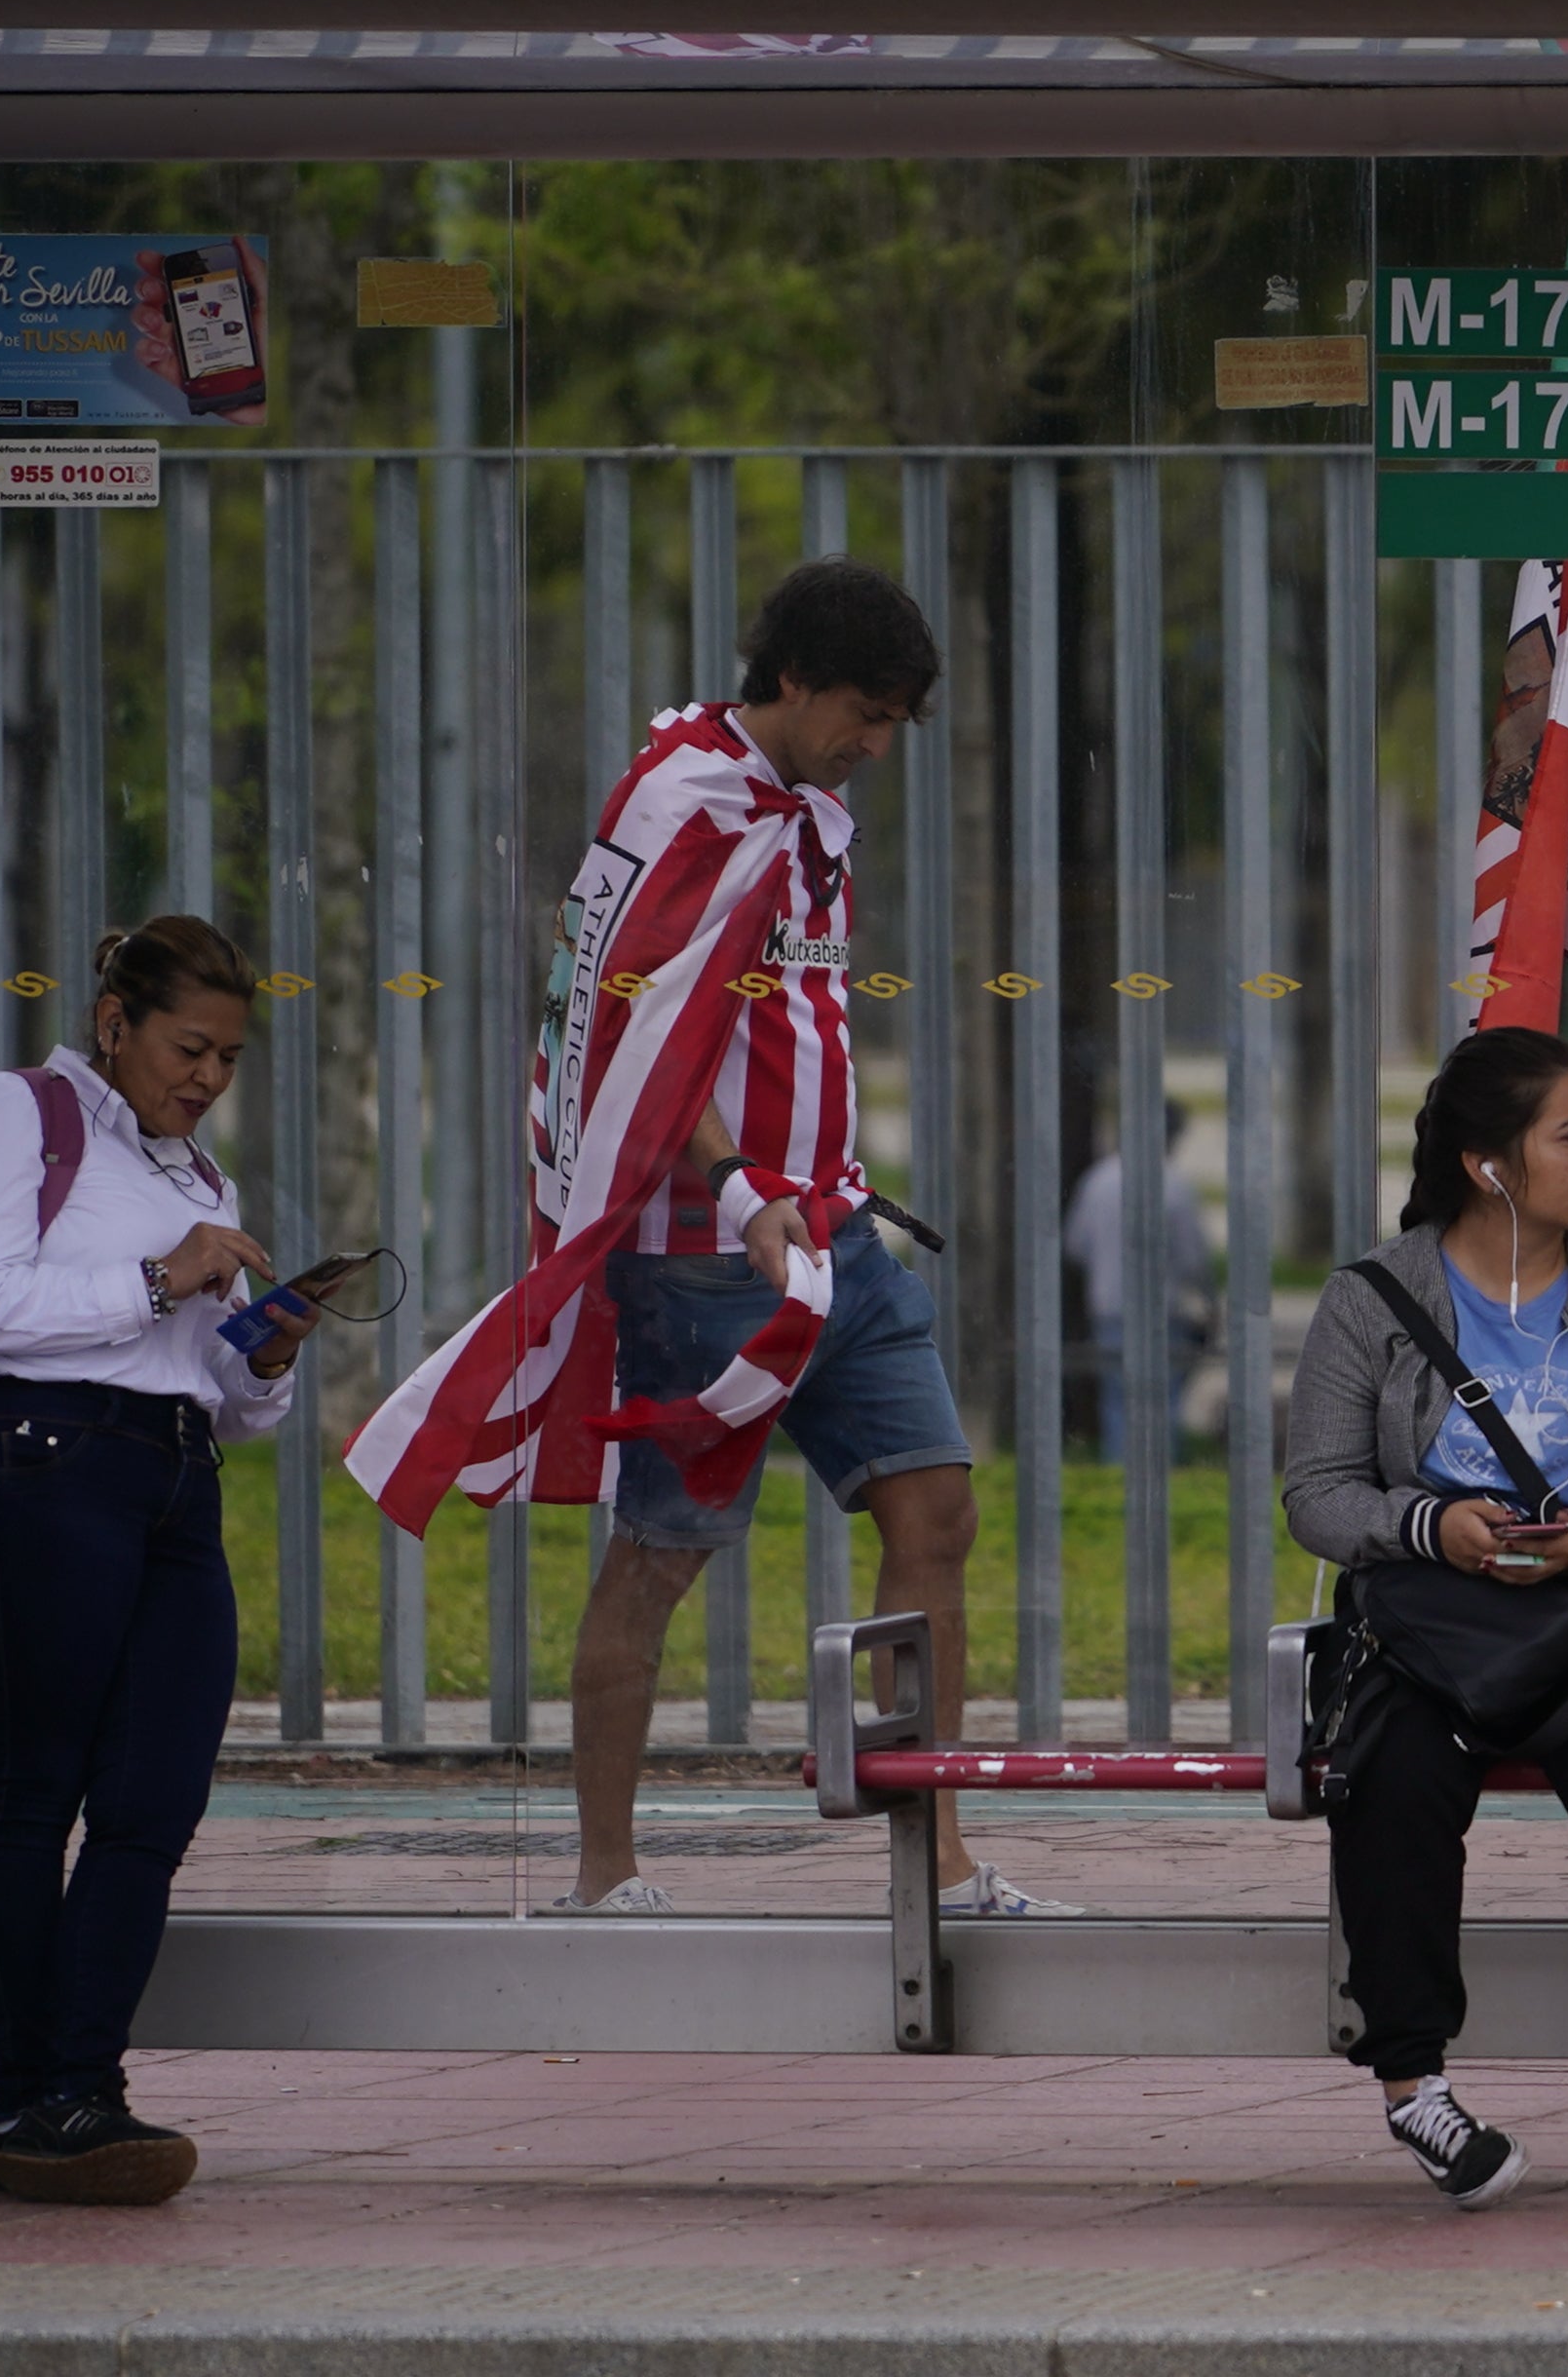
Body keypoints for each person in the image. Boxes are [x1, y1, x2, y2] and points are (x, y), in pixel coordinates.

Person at [353, 557, 1064, 1921]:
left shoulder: (804, 807)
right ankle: (604, 1872)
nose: (874, 746)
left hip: (838, 1227)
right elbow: (624, 1041)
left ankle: (939, 1852)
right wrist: (738, 1190)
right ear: (790, 682)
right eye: (863, 712)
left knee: (938, 1511)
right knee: (661, 1553)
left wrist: (805, 1188)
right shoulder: (683, 802)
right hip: (704, 1253)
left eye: (895, 724)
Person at [1285, 1029, 1568, 2210]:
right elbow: (1317, 1494)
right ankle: (1413, 2087)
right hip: (1436, 1617)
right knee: (1387, 1781)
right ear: (1493, 1166)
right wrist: (1431, 1528)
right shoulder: (1372, 1298)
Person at [0, 919, 324, 2204]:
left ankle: (84, 2088)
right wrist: (156, 1277)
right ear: (114, 1020)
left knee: (153, 1803)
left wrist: (266, 1354)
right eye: (190, 1049)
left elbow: (222, 1397)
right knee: (30, 1790)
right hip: (44, 1456)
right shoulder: (21, 1116)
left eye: (230, 1059)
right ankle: (27, 2102)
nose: (208, 1080)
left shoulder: (200, 1179)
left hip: (176, 1477)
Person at [1065, 1099, 1206, 1467]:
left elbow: (1076, 1246)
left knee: (1117, 1403)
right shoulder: (1174, 1185)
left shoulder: (1098, 1180)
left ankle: (1119, 1480)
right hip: (1164, 1313)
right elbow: (1193, 1260)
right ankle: (1164, 1480)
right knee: (1163, 1403)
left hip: (1109, 1308)